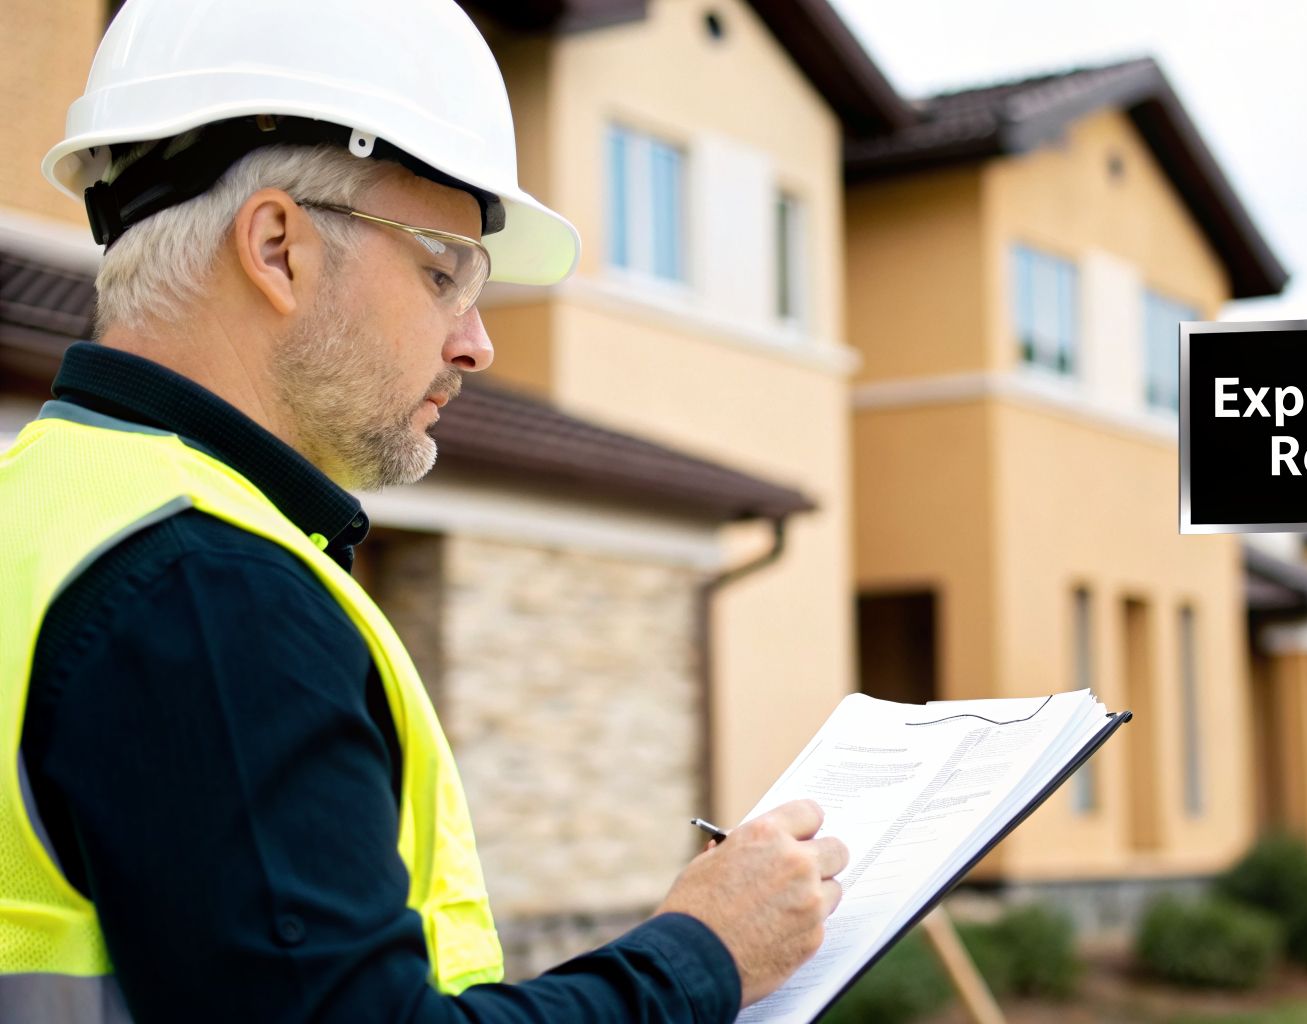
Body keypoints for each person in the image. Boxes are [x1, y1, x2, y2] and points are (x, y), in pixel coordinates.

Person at [0, 0, 846, 1020]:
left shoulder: (44, 511)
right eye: (441, 272)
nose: (475, 343)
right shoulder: (209, 589)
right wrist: (702, 954)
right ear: (276, 246)